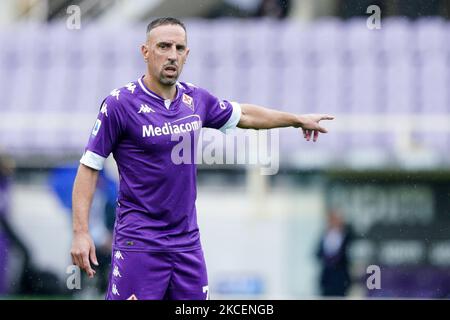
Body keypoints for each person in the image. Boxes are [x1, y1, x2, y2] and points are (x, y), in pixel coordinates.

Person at [70, 17, 334, 300]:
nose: (172, 55)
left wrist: (296, 119)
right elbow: (89, 167)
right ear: (145, 52)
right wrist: (81, 232)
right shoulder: (120, 104)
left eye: (179, 48)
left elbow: (244, 115)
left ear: (187, 54)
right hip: (140, 243)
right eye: (163, 46)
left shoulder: (196, 99)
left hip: (187, 245)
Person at [316, 210, 354, 297]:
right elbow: (317, 253)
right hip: (327, 278)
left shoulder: (347, 235)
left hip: (341, 278)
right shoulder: (325, 235)